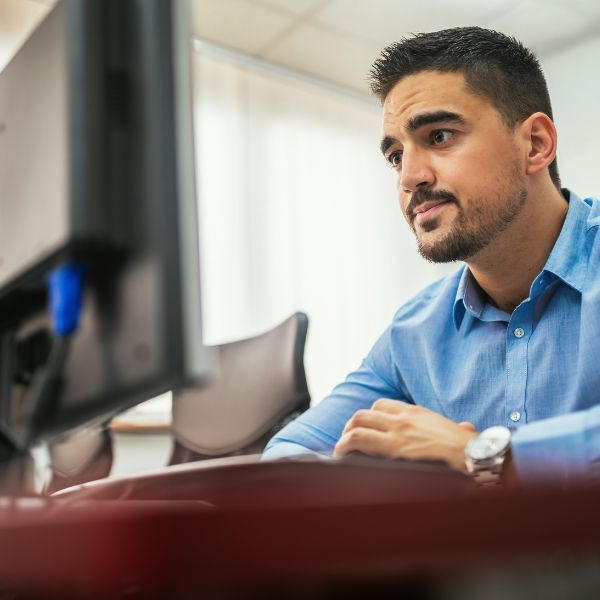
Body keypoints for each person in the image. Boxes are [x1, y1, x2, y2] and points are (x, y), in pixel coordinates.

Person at [263, 26, 600, 487]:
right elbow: (288, 453)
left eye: (439, 136)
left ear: (536, 144)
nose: (409, 178)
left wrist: (479, 455)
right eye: (396, 156)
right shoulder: (415, 333)